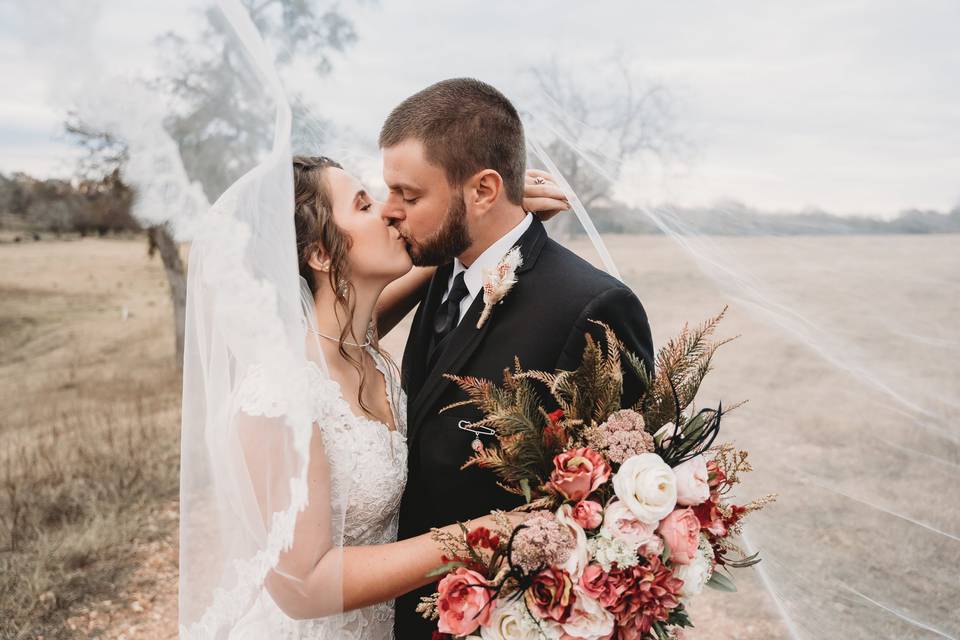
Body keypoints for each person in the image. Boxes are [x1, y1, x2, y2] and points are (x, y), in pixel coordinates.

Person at [379, 77, 655, 639]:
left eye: (409, 196)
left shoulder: (593, 307)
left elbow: (614, 521)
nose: (390, 211)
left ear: (483, 191)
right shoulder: (440, 269)